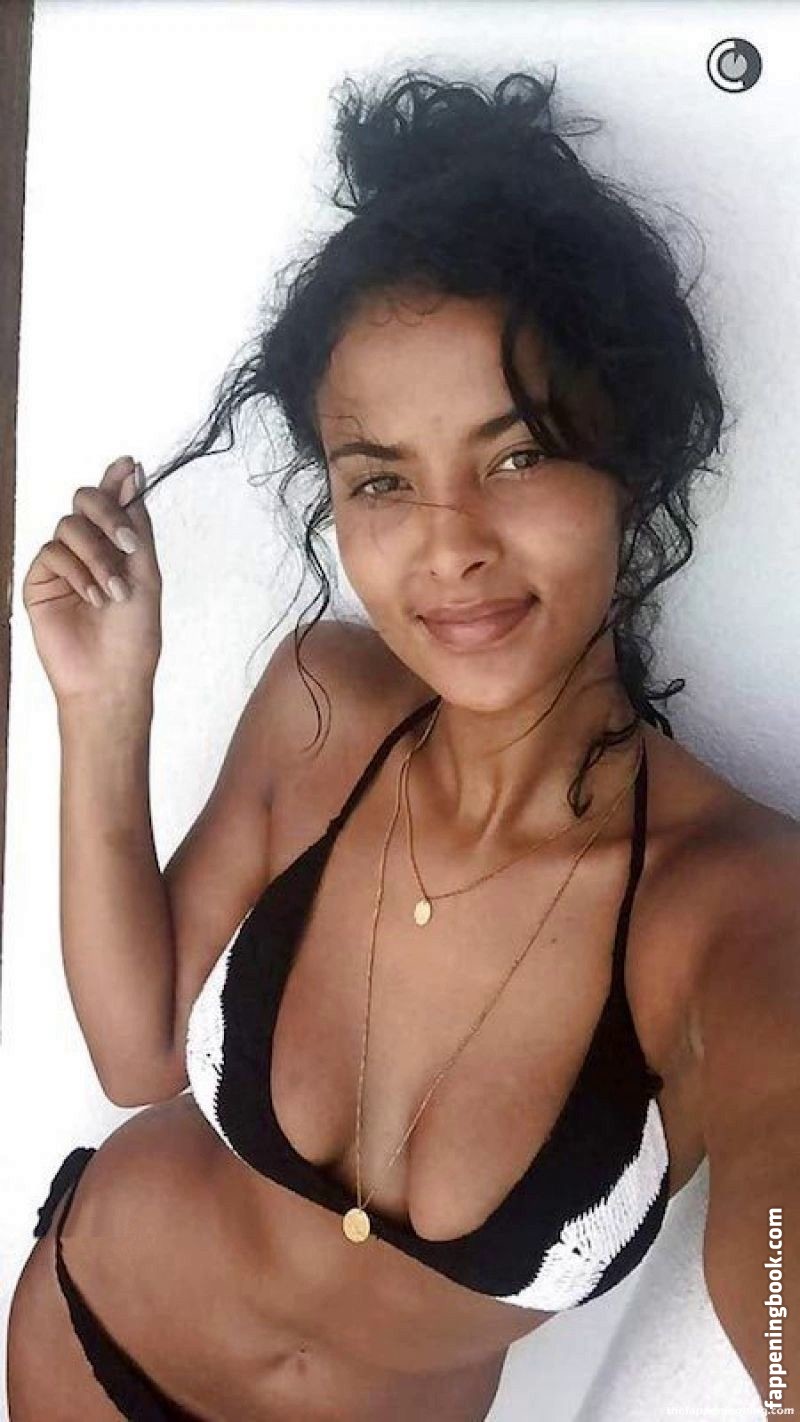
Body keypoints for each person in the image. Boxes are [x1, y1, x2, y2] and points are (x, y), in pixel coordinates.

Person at [9, 66, 798, 1421]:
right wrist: (103, 706)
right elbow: (138, 1060)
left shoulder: (739, 910)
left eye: (516, 455)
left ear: (630, 462)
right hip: (90, 1342)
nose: (448, 547)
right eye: (382, 478)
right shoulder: (322, 706)